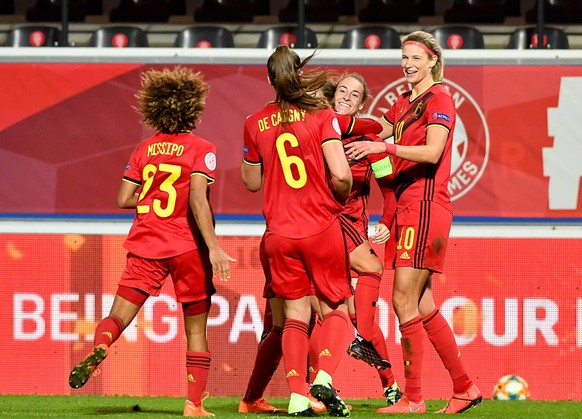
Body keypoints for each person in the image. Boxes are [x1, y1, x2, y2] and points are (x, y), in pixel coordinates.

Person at [68, 67, 235, 417]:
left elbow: (123, 198)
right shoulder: (202, 149)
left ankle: (100, 345)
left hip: (145, 243)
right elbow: (197, 200)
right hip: (187, 247)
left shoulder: (144, 149)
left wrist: (154, 193)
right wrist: (215, 246)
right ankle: (193, 405)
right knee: (196, 329)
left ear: (154, 109)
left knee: (118, 315)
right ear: (192, 109)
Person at [344, 31, 482, 414]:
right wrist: (335, 121)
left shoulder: (440, 99)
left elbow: (433, 150)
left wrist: (382, 147)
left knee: (402, 299)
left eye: (415, 58)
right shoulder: (405, 101)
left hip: (425, 205)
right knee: (421, 304)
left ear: (433, 61)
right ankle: (464, 387)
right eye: (403, 57)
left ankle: (414, 398)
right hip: (408, 209)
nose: (407, 64)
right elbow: (375, 130)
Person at [242, 45, 352, 417]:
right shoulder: (322, 115)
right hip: (320, 226)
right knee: (337, 309)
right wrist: (338, 198)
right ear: (300, 73)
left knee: (293, 316)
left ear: (269, 78)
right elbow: (341, 174)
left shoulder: (254, 121)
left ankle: (298, 396)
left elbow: (252, 182)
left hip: (278, 234)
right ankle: (322, 378)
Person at [322, 73, 402, 406]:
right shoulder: (320, 132)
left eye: (354, 94)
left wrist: (386, 221)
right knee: (349, 303)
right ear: (333, 96)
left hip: (354, 226)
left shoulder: (369, 146)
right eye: (342, 90)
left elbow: (390, 190)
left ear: (361, 103)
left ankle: (390, 385)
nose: (346, 96)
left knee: (350, 312)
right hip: (325, 225)